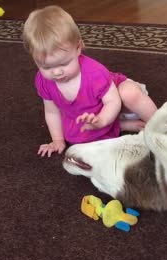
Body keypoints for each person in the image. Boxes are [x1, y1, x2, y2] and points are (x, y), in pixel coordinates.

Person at [22, 5, 157, 157]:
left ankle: (160, 125)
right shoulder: (43, 81)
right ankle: (119, 125)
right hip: (92, 114)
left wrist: (103, 120)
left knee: (130, 94)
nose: (57, 72)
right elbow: (52, 112)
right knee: (77, 137)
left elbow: (113, 102)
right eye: (46, 67)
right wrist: (57, 140)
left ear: (78, 47)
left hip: (117, 102)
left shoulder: (95, 73)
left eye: (64, 63)